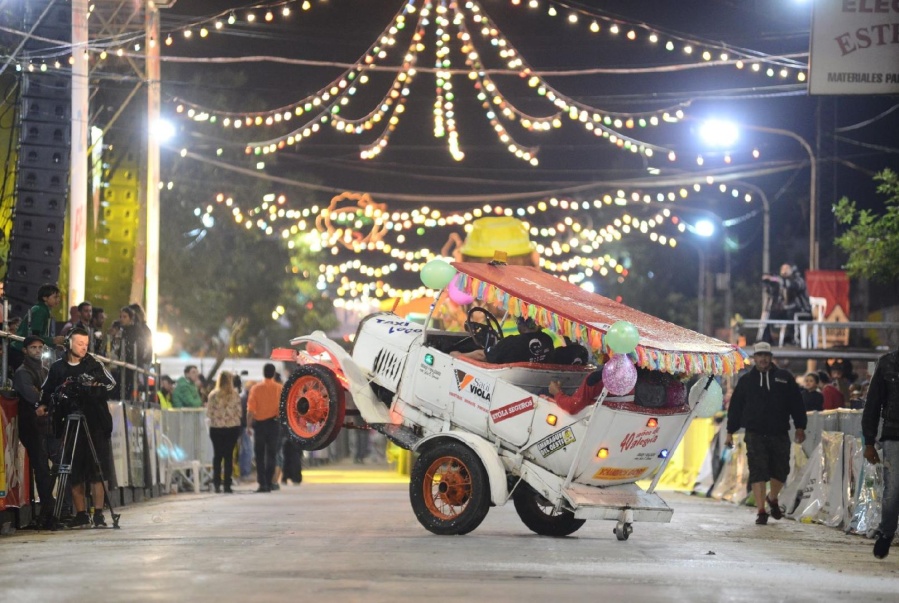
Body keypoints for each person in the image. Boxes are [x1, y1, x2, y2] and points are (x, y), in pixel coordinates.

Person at [40, 327, 116, 528]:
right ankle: (81, 514)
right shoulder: (58, 368)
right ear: (69, 344)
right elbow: (47, 391)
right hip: (71, 423)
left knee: (97, 470)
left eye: (86, 344)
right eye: (80, 344)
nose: (84, 348)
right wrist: (43, 405)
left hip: (95, 424)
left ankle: (98, 514)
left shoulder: (93, 364)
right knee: (74, 471)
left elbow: (111, 384)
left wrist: (94, 384)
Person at [725, 341, 806, 525]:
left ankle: (773, 497)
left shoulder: (785, 377)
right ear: (754, 358)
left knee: (781, 470)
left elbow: (797, 403)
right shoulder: (746, 381)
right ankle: (761, 510)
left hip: (779, 432)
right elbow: (736, 407)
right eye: (760, 355)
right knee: (757, 471)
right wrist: (730, 431)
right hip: (754, 433)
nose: (763, 358)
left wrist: (801, 426)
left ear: (771, 357)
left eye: (766, 355)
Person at [12, 335, 56, 529]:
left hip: (45, 425)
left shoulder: (45, 370)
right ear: (25, 350)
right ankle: (48, 513)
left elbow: (50, 394)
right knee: (41, 468)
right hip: (31, 425)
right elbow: (34, 396)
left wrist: (46, 397)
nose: (37, 351)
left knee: (51, 467)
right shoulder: (23, 372)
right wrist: (45, 398)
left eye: (40, 347)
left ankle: (51, 511)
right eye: (33, 348)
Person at [862, 348, 899, 559]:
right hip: (894, 435)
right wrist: (868, 441)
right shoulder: (887, 363)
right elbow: (873, 404)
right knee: (893, 490)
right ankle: (886, 533)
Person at [9, 283, 66, 371]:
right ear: (45, 298)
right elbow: (35, 337)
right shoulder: (40, 310)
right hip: (20, 351)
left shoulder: (42, 309)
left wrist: (53, 344)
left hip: (22, 350)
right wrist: (53, 340)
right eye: (55, 297)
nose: (58, 300)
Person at [451, 316, 553, 364]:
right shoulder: (547, 340)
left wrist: (459, 355)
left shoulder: (512, 342)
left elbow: (482, 356)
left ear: (522, 324)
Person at [247, 363, 283, 493]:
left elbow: (251, 410)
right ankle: (269, 481)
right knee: (272, 454)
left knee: (260, 454)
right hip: (274, 424)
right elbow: (283, 408)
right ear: (273, 373)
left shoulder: (256, 389)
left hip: (260, 425)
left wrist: (248, 425)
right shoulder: (279, 388)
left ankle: (262, 484)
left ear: (263, 373)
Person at [206, 371, 242, 493]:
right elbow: (239, 412)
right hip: (232, 428)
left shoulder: (213, 395)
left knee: (217, 456)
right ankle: (227, 484)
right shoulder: (235, 395)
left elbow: (209, 413)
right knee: (228, 456)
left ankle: (216, 483)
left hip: (216, 428)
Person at [761, 264, 812, 345]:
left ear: (791, 270)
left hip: (802, 310)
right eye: (782, 269)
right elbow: (777, 296)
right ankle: (766, 339)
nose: (784, 271)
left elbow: (792, 285)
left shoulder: (799, 280)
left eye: (786, 268)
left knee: (791, 312)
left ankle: (791, 340)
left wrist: (775, 279)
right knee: (772, 314)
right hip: (787, 310)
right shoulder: (782, 284)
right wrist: (770, 283)